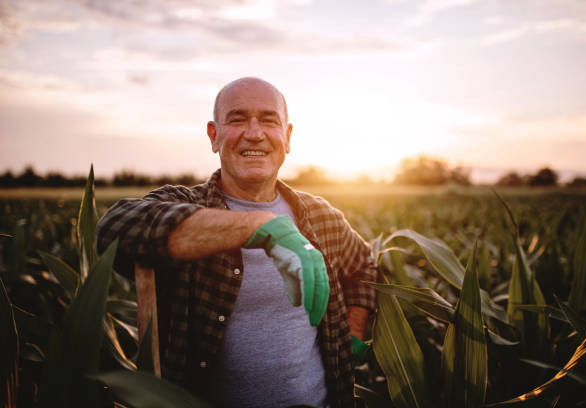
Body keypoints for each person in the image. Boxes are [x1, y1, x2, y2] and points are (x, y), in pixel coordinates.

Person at [96, 77, 377, 408]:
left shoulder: (321, 217)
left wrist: (354, 335)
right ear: (214, 137)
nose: (254, 133)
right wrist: (259, 225)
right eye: (238, 119)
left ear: (287, 138)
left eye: (269, 120)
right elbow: (112, 229)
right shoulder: (186, 205)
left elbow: (363, 266)